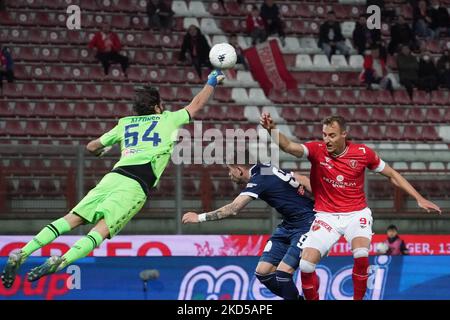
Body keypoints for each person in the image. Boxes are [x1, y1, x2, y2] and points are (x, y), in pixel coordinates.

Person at [0, 70, 226, 287]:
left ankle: (22, 252)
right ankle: (61, 261)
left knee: (72, 218)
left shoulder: (125, 123)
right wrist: (211, 82)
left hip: (113, 177)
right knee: (100, 230)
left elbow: (92, 146)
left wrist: (100, 150)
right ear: (157, 107)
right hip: (136, 184)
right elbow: (195, 105)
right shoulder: (167, 119)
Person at [260, 114, 441, 300]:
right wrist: (272, 129)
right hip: (326, 216)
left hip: (356, 214)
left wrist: (419, 198)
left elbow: (392, 174)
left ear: (344, 134)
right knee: (306, 265)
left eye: (332, 135)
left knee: (361, 253)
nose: (327, 140)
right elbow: (289, 146)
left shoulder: (363, 153)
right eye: (324, 135)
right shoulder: (316, 150)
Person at [182, 154, 315, 300]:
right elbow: (301, 178)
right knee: (263, 272)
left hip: (306, 224)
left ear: (239, 170)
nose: (229, 174)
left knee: (283, 274)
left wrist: (199, 217)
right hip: (288, 224)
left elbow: (233, 209)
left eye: (230, 170)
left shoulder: (258, 179)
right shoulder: (265, 168)